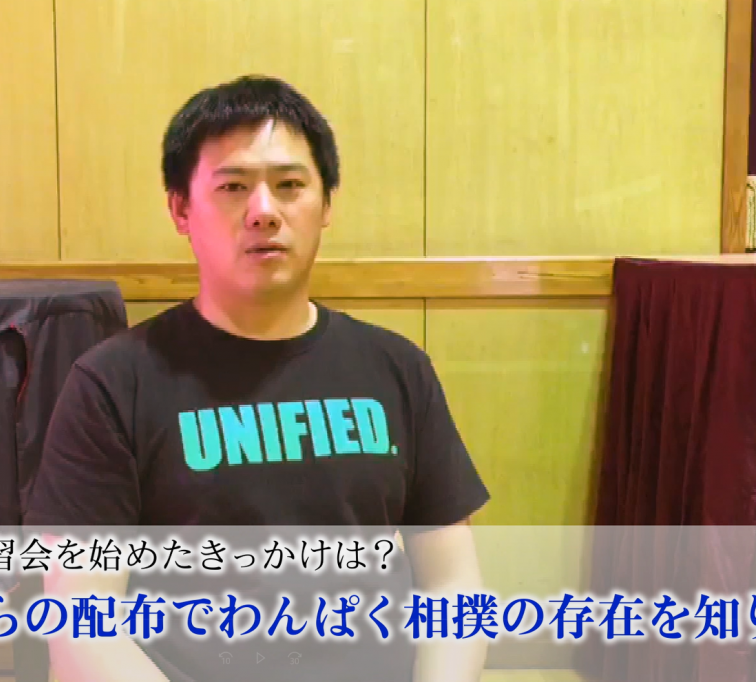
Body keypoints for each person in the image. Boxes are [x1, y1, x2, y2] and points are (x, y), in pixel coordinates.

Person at [24, 75, 491, 682]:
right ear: (180, 209)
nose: (264, 211)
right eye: (233, 186)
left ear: (326, 205)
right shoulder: (112, 383)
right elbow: (82, 621)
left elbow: (452, 587)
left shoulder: (398, 368)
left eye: (290, 185)